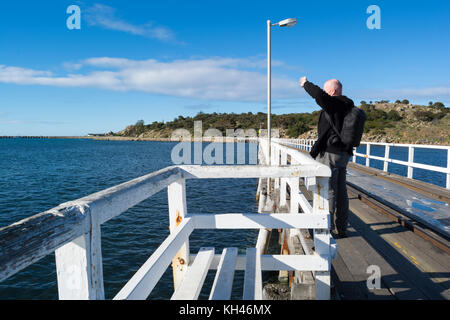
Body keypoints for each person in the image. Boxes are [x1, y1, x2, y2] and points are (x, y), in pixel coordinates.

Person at [299, 77, 354, 238]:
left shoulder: (335, 104)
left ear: (334, 91)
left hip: (330, 153)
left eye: (327, 90)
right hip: (343, 153)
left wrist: (305, 84)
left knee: (328, 190)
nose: (325, 93)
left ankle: (325, 228)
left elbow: (319, 96)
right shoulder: (348, 105)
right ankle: (342, 228)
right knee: (341, 192)